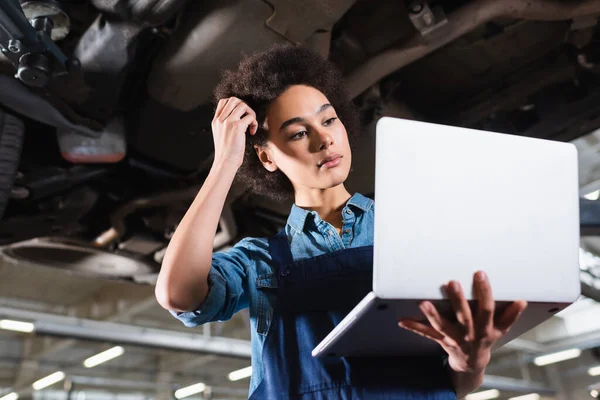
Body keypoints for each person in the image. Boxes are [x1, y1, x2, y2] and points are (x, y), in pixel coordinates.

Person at [155, 44, 527, 399]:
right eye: (299, 133)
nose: (324, 139)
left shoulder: (415, 234)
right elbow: (178, 294)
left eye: (329, 120)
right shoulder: (260, 262)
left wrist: (470, 362)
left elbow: (448, 385)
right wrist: (225, 164)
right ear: (267, 158)